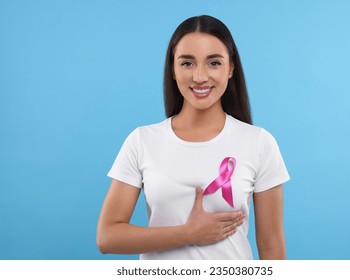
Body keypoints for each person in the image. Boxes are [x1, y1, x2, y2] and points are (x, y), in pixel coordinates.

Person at [97, 15, 290, 260]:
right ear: (173, 69)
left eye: (214, 63)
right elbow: (108, 236)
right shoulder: (142, 141)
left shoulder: (260, 143)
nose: (199, 77)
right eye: (187, 63)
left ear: (231, 68)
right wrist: (188, 233)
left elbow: (272, 248)